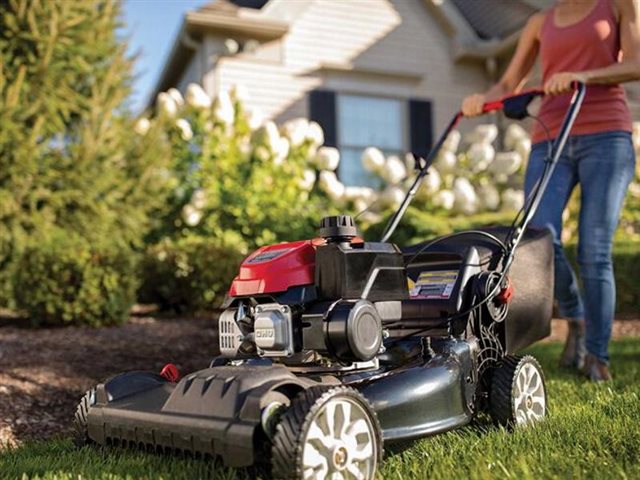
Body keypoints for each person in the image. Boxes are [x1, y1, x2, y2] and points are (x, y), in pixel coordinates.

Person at [462, 0, 640, 381]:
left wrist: (584, 76)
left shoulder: (620, 5)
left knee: (595, 249)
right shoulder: (540, 22)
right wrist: (482, 98)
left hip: (606, 136)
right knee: (540, 237)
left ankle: (597, 356)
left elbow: (636, 63)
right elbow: (509, 84)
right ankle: (574, 316)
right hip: (550, 137)